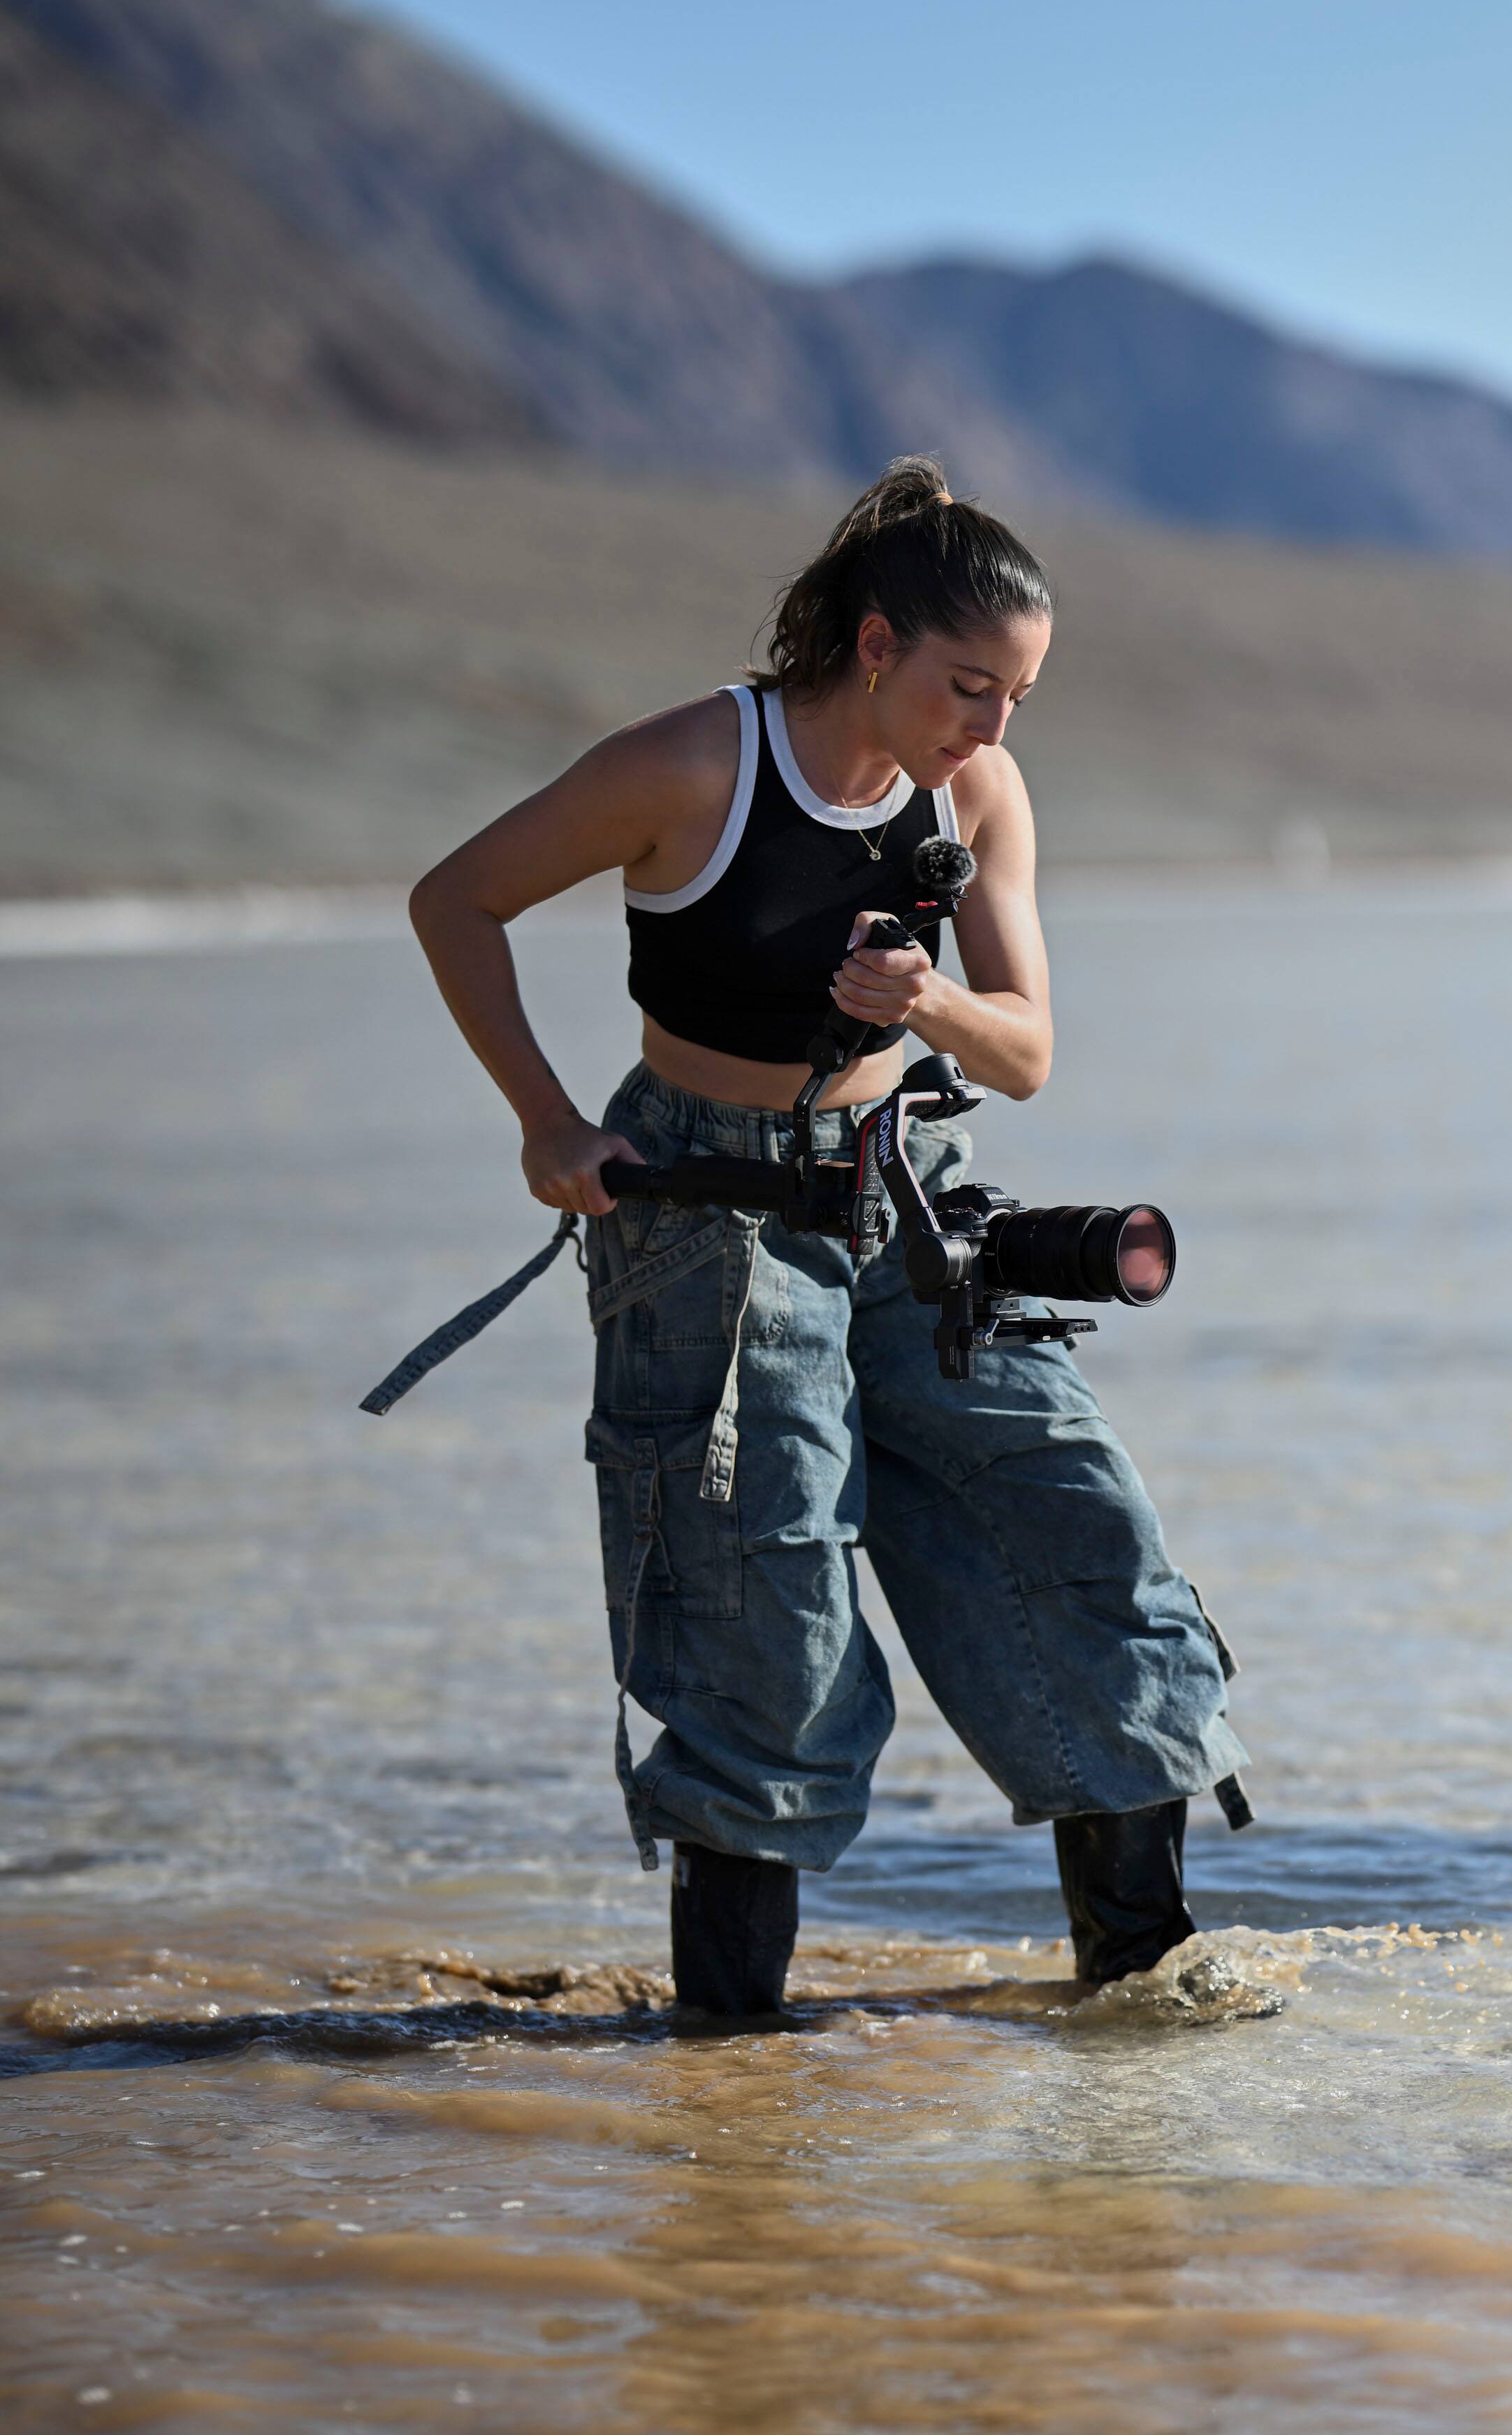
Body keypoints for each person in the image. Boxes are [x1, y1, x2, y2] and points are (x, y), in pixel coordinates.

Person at [408, 456, 1249, 2016]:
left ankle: (1144, 2000)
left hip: (908, 1192)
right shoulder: (691, 766)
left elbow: (1026, 1051)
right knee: (765, 1615)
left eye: (1019, 698)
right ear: (875, 646)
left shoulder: (976, 793)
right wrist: (545, 1122)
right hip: (702, 1220)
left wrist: (927, 1003)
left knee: (1084, 1528)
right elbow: (456, 899)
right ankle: (733, 2061)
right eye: (969, 688)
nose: (993, 729)